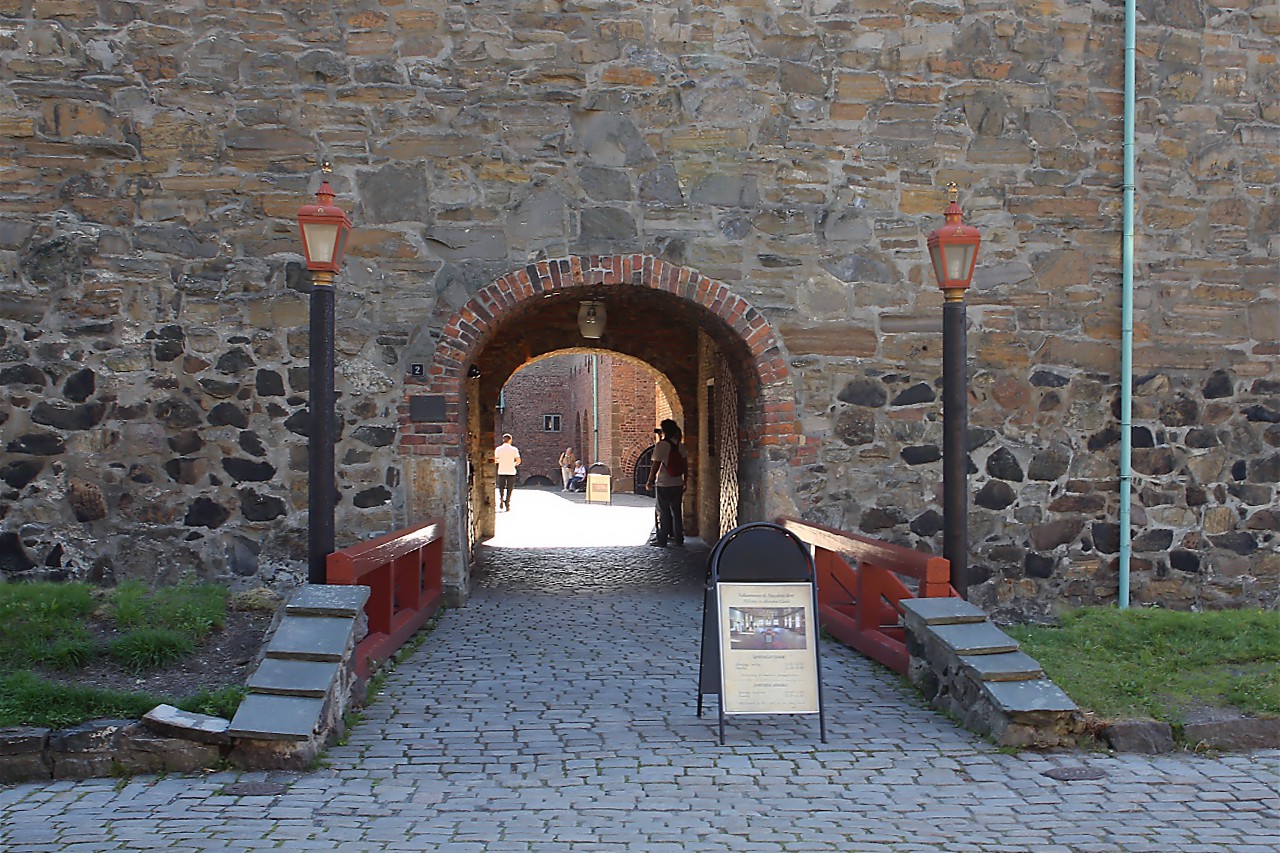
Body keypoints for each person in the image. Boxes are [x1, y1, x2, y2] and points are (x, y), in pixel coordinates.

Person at [645, 419, 685, 547]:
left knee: (664, 512)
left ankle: (662, 539)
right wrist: (686, 482)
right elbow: (686, 466)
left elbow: (655, 465)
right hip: (678, 483)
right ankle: (679, 538)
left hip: (664, 483)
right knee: (677, 512)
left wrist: (650, 481)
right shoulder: (680, 445)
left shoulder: (662, 445)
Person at [493, 433, 521, 511]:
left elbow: (495, 460)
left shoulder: (498, 449)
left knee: (501, 487)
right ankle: (507, 502)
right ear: (510, 440)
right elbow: (518, 460)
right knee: (510, 488)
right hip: (511, 471)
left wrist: (500, 461)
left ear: (503, 440)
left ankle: (501, 498)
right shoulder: (514, 449)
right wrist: (513, 464)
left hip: (501, 470)